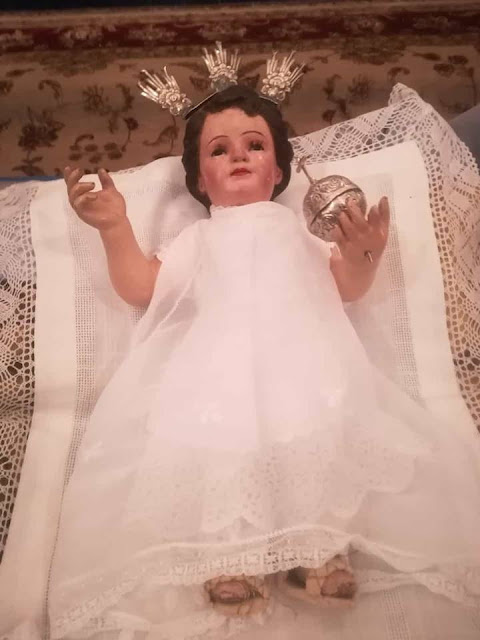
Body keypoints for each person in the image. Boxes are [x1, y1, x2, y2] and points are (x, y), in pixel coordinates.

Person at [50, 85, 480, 636]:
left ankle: (318, 550)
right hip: (216, 371)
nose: (238, 156)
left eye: (254, 145)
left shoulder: (298, 231)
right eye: (219, 150)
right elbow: (140, 287)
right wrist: (115, 227)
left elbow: (345, 286)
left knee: (313, 442)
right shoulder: (197, 240)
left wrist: (362, 254)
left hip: (300, 363)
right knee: (224, 451)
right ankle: (231, 554)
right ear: (199, 180)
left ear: (278, 171)